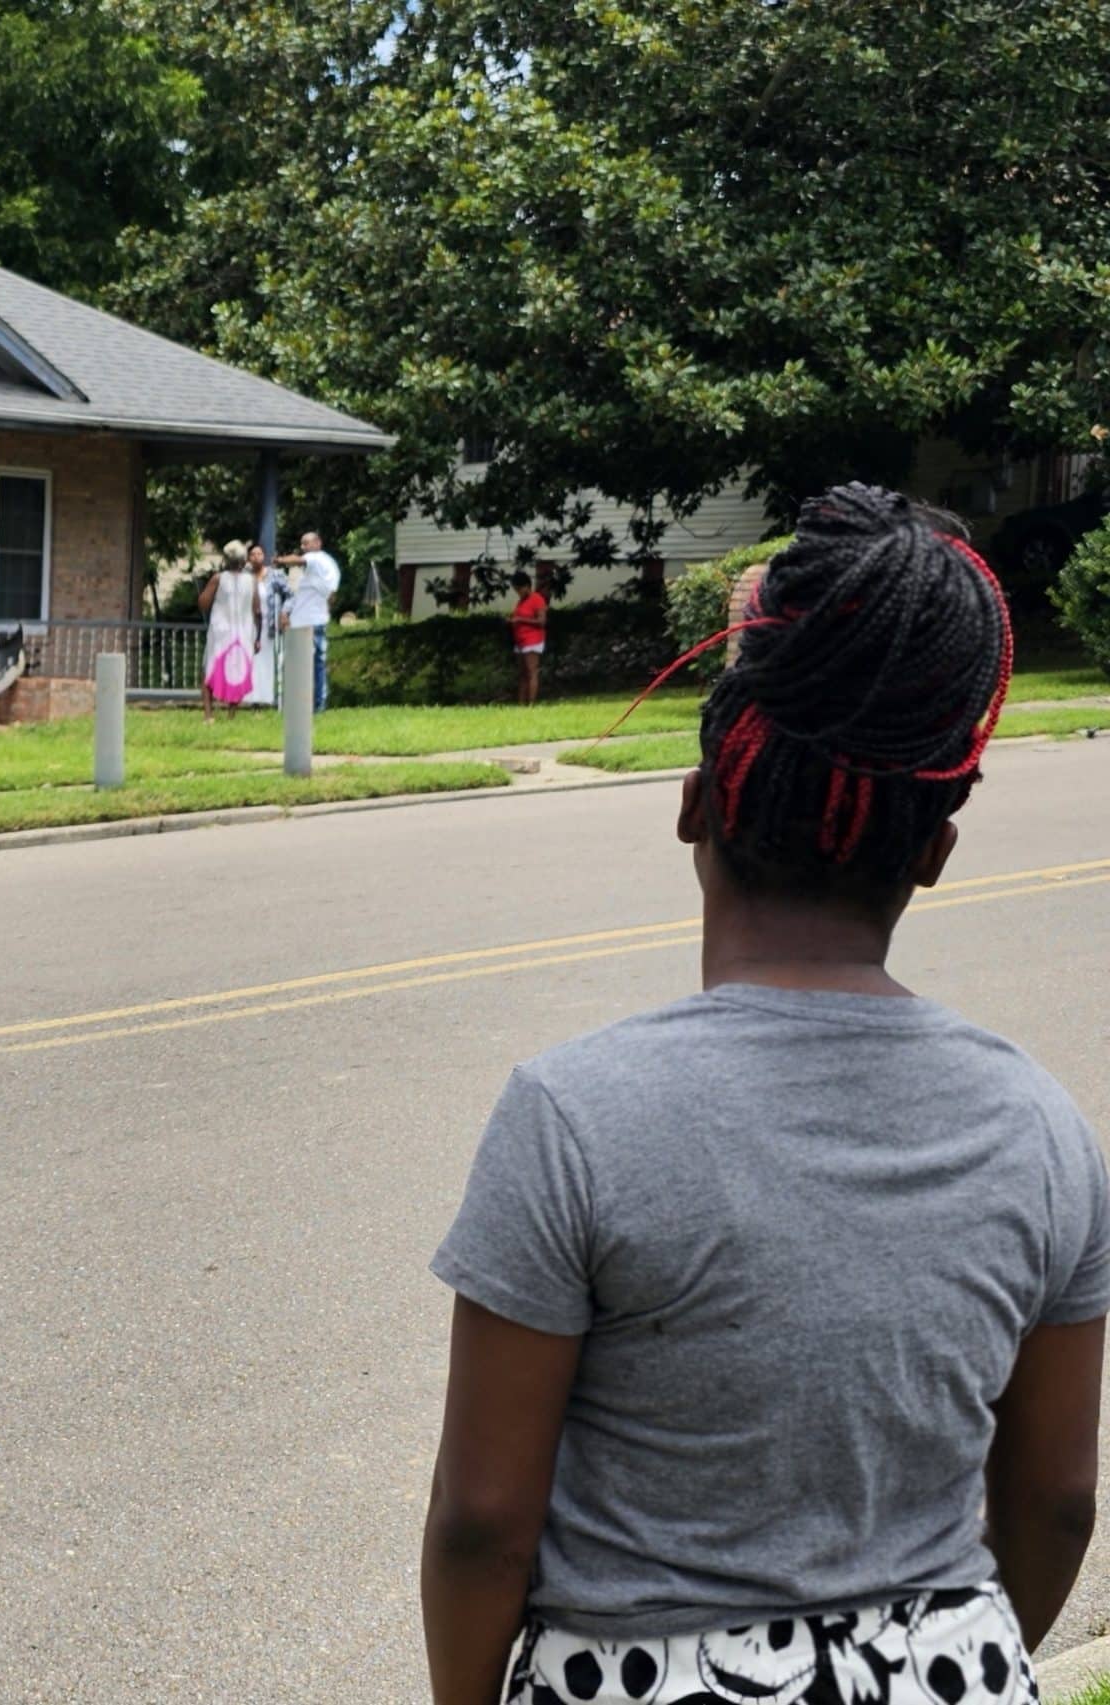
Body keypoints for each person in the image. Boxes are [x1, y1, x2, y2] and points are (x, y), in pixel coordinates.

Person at [421, 484, 1099, 1705]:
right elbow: (1055, 1499)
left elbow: (483, 1525)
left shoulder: (574, 1115)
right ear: (933, 855)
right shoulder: (1043, 1128)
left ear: (696, 805)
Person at [198, 541, 273, 717]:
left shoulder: (218, 578)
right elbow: (257, 611)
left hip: (221, 632)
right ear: (243, 561)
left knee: (209, 668)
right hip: (244, 633)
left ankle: (209, 715)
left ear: (226, 559)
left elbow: (203, 603)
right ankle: (231, 714)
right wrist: (257, 637)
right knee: (238, 671)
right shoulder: (252, 581)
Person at [275, 530, 341, 712]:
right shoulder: (324, 568)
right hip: (309, 620)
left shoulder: (317, 559)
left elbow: (299, 560)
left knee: (304, 664)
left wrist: (280, 561)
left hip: (310, 623)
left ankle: (312, 704)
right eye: (302, 544)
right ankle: (310, 703)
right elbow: (330, 597)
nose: (303, 548)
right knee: (312, 664)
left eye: (306, 543)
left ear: (318, 543)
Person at [508, 570, 548, 706]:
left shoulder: (537, 599)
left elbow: (541, 621)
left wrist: (520, 620)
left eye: (519, 589)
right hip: (521, 641)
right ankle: (521, 704)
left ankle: (531, 704)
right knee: (522, 674)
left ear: (526, 586)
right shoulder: (521, 601)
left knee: (531, 672)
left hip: (533, 640)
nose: (518, 592)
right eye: (516, 590)